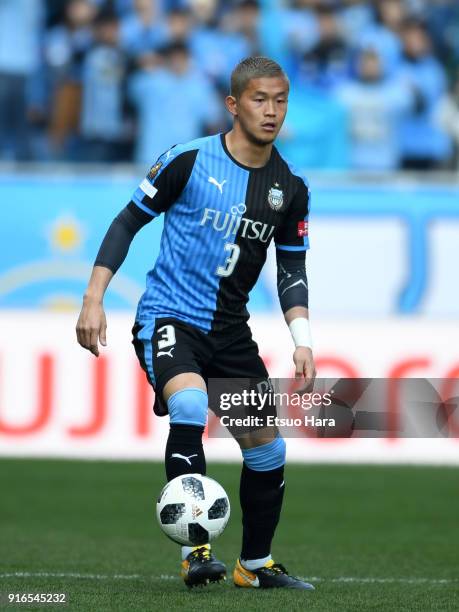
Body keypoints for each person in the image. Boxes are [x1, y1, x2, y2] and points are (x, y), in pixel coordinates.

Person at [76, 56, 315, 591]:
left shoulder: (289, 187)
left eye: (280, 100)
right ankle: (197, 552)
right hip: (170, 315)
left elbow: (292, 265)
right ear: (234, 104)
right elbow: (126, 222)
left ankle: (254, 566)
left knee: (268, 448)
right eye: (259, 100)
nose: (271, 111)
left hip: (231, 332)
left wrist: (302, 338)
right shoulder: (187, 160)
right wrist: (94, 298)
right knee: (187, 403)